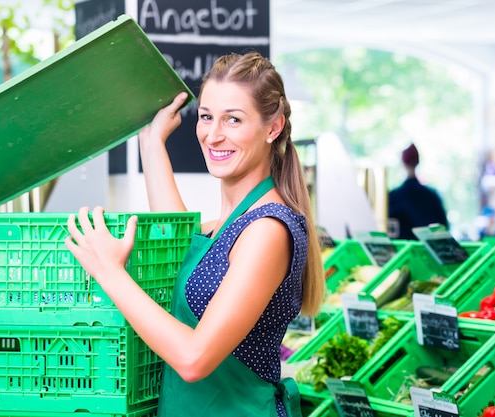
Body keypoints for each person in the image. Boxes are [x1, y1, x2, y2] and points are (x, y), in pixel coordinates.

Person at [64, 51, 325, 417]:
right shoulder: (225, 226)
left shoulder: (267, 230)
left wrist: (110, 272)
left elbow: (194, 358)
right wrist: (152, 143)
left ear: (273, 127)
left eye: (233, 119)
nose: (213, 135)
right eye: (206, 117)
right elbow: (179, 232)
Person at [388, 143, 449, 240]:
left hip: (403, 253)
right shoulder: (432, 196)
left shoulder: (393, 197)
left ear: (403, 163)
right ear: (418, 162)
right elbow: (444, 228)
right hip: (428, 252)